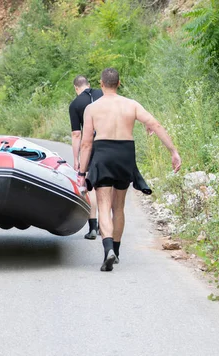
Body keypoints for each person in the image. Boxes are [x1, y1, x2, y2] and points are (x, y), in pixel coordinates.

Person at [77, 68, 181, 272]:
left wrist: (82, 173)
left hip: (103, 154)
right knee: (119, 206)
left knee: (104, 205)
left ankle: (107, 249)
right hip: (125, 155)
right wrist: (173, 151)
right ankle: (116, 249)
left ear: (101, 83)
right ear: (119, 83)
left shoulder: (93, 108)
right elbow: (155, 124)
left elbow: (86, 144)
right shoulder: (131, 104)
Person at [69, 75, 103, 240]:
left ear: (76, 88)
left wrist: (76, 159)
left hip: (91, 145)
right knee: (106, 185)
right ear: (89, 84)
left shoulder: (75, 104)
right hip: (110, 143)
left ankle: (93, 227)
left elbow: (77, 134)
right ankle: (106, 226)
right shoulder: (103, 94)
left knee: (91, 186)